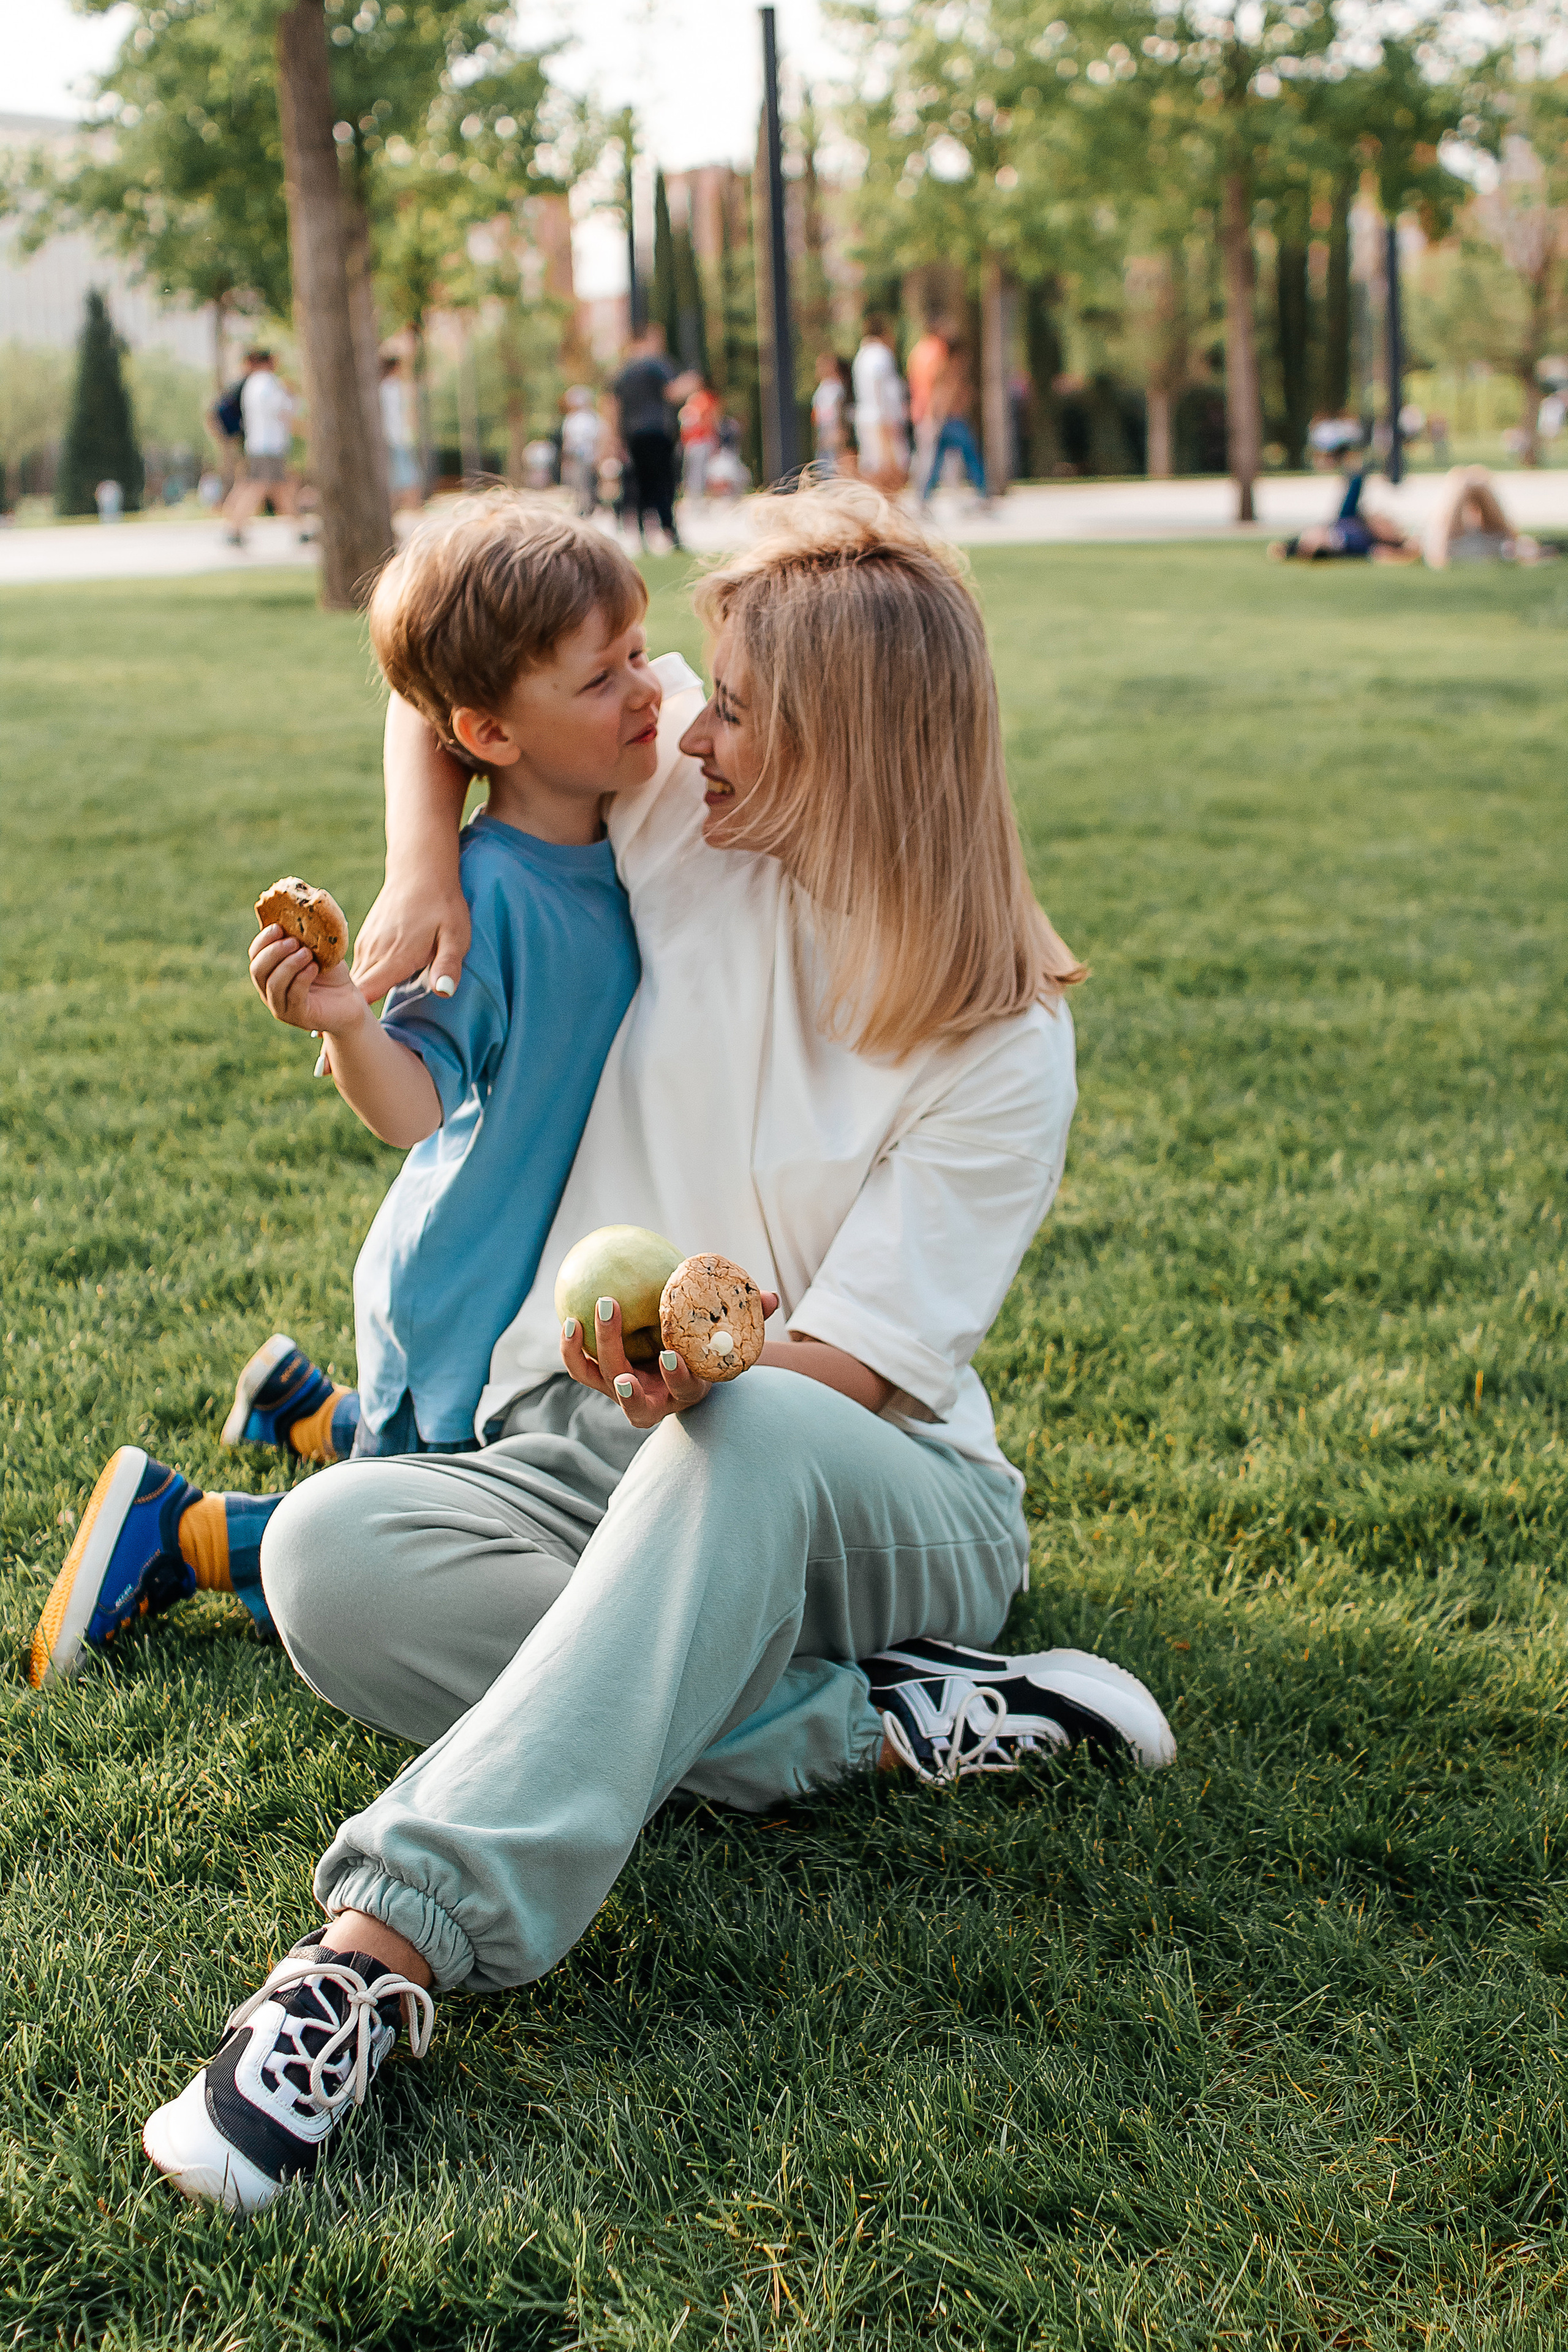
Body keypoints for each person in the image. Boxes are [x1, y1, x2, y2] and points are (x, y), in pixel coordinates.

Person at [135, 482, 1176, 2215]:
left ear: (846, 752)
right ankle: (862, 1731)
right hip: (594, 1446)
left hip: (879, 1494)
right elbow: (450, 671)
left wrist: (707, 1382)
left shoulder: (1001, 1046)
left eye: (743, 709)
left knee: (745, 1434)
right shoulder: (691, 812)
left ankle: (372, 1959)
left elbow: (847, 1377)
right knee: (328, 1555)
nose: (692, 721)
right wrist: (418, 864)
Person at [28, 501, 692, 1688]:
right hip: (461, 1283)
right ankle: (175, 1528)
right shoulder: (483, 904)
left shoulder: (625, 822)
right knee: (419, 1511)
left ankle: (303, 1400)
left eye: (640, 654)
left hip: (518, 1272)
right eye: (605, 679)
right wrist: (344, 1019)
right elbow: (412, 1111)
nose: (647, 691)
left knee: (416, 1460)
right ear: (489, 732)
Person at [611, 323, 699, 549]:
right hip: (658, 432)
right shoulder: (657, 364)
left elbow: (613, 406)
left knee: (641, 482)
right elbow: (672, 392)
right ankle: (670, 530)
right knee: (664, 482)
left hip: (633, 435)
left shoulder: (623, 371)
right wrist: (691, 383)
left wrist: (616, 439)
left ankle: (641, 533)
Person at [222, 351, 299, 546]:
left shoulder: (252, 383)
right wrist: (291, 395)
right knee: (259, 486)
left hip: (259, 444)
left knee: (279, 487)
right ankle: (235, 528)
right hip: (269, 445)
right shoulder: (267, 382)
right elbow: (282, 409)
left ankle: (298, 527)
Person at [1267, 470, 1420, 563]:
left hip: (1349, 523)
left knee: (1356, 482)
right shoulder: (1358, 543)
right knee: (1356, 482)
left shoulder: (1356, 538)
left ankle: (1361, 465)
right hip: (1353, 526)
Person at [1422, 464, 1552, 570]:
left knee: (1468, 481)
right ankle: (1462, 485)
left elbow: (1438, 554)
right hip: (1463, 545)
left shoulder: (1502, 542)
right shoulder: (1503, 542)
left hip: (1463, 544)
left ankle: (1462, 485)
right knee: (1468, 481)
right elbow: (1438, 556)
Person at [921, 341, 990, 507]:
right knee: (971, 456)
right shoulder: (952, 373)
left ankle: (925, 496)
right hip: (953, 421)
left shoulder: (946, 371)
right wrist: (939, 418)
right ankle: (982, 491)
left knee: (938, 460)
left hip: (950, 420)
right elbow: (946, 397)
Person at [851, 317, 908, 491]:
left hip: (868, 416)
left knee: (873, 463)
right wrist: (887, 420)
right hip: (881, 417)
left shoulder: (862, 355)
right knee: (891, 464)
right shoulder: (879, 354)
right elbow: (880, 386)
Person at [905, 312, 949, 488]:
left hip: (919, 407)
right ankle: (924, 493)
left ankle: (921, 491)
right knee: (935, 453)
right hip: (932, 409)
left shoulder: (917, 350)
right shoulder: (938, 349)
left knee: (923, 453)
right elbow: (936, 384)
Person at [379, 354, 424, 514]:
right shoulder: (393, 387)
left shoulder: (383, 387)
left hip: (392, 438)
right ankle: (414, 508)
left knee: (397, 477)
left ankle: (398, 509)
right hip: (398, 438)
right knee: (410, 475)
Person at [559, 386, 605, 518]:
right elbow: (567, 443)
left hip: (587, 459)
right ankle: (580, 510)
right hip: (574, 458)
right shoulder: (570, 419)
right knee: (575, 486)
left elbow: (598, 440)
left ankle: (590, 511)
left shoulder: (592, 419)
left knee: (588, 485)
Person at [677, 377, 723, 502]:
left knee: (696, 473)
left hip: (697, 441)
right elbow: (712, 421)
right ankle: (696, 500)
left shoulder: (698, 400)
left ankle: (695, 499)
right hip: (698, 442)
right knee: (697, 473)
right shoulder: (703, 400)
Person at [810, 350, 850, 473]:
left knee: (835, 468)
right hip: (823, 434)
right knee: (824, 467)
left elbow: (840, 411)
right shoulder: (821, 389)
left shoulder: (837, 388)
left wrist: (840, 432)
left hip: (834, 433)